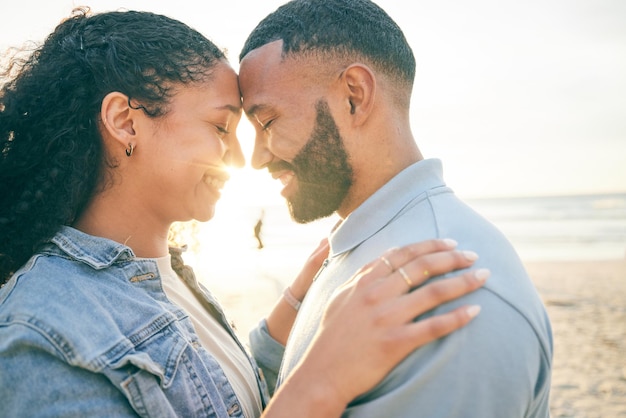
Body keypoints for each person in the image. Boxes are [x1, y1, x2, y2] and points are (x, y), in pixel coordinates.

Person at [0, 8, 488, 417]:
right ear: (126, 122)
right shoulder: (43, 333)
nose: (240, 158)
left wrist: (286, 324)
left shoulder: (167, 274)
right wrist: (319, 383)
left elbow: (208, 396)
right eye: (221, 127)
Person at [238, 0, 553, 416]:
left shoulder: (445, 296)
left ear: (354, 96)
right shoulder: (361, 247)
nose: (257, 158)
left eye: (268, 122)